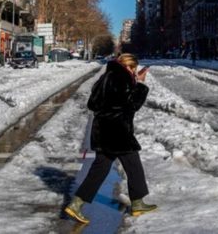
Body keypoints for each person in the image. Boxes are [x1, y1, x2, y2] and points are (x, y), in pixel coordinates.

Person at [64, 53, 156, 224]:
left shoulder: (105, 78)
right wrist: (141, 84)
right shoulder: (122, 78)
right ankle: (137, 203)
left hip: (102, 130)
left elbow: (92, 104)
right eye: (134, 68)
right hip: (118, 131)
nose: (135, 72)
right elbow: (131, 105)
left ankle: (76, 204)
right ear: (129, 66)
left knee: (100, 169)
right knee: (133, 165)